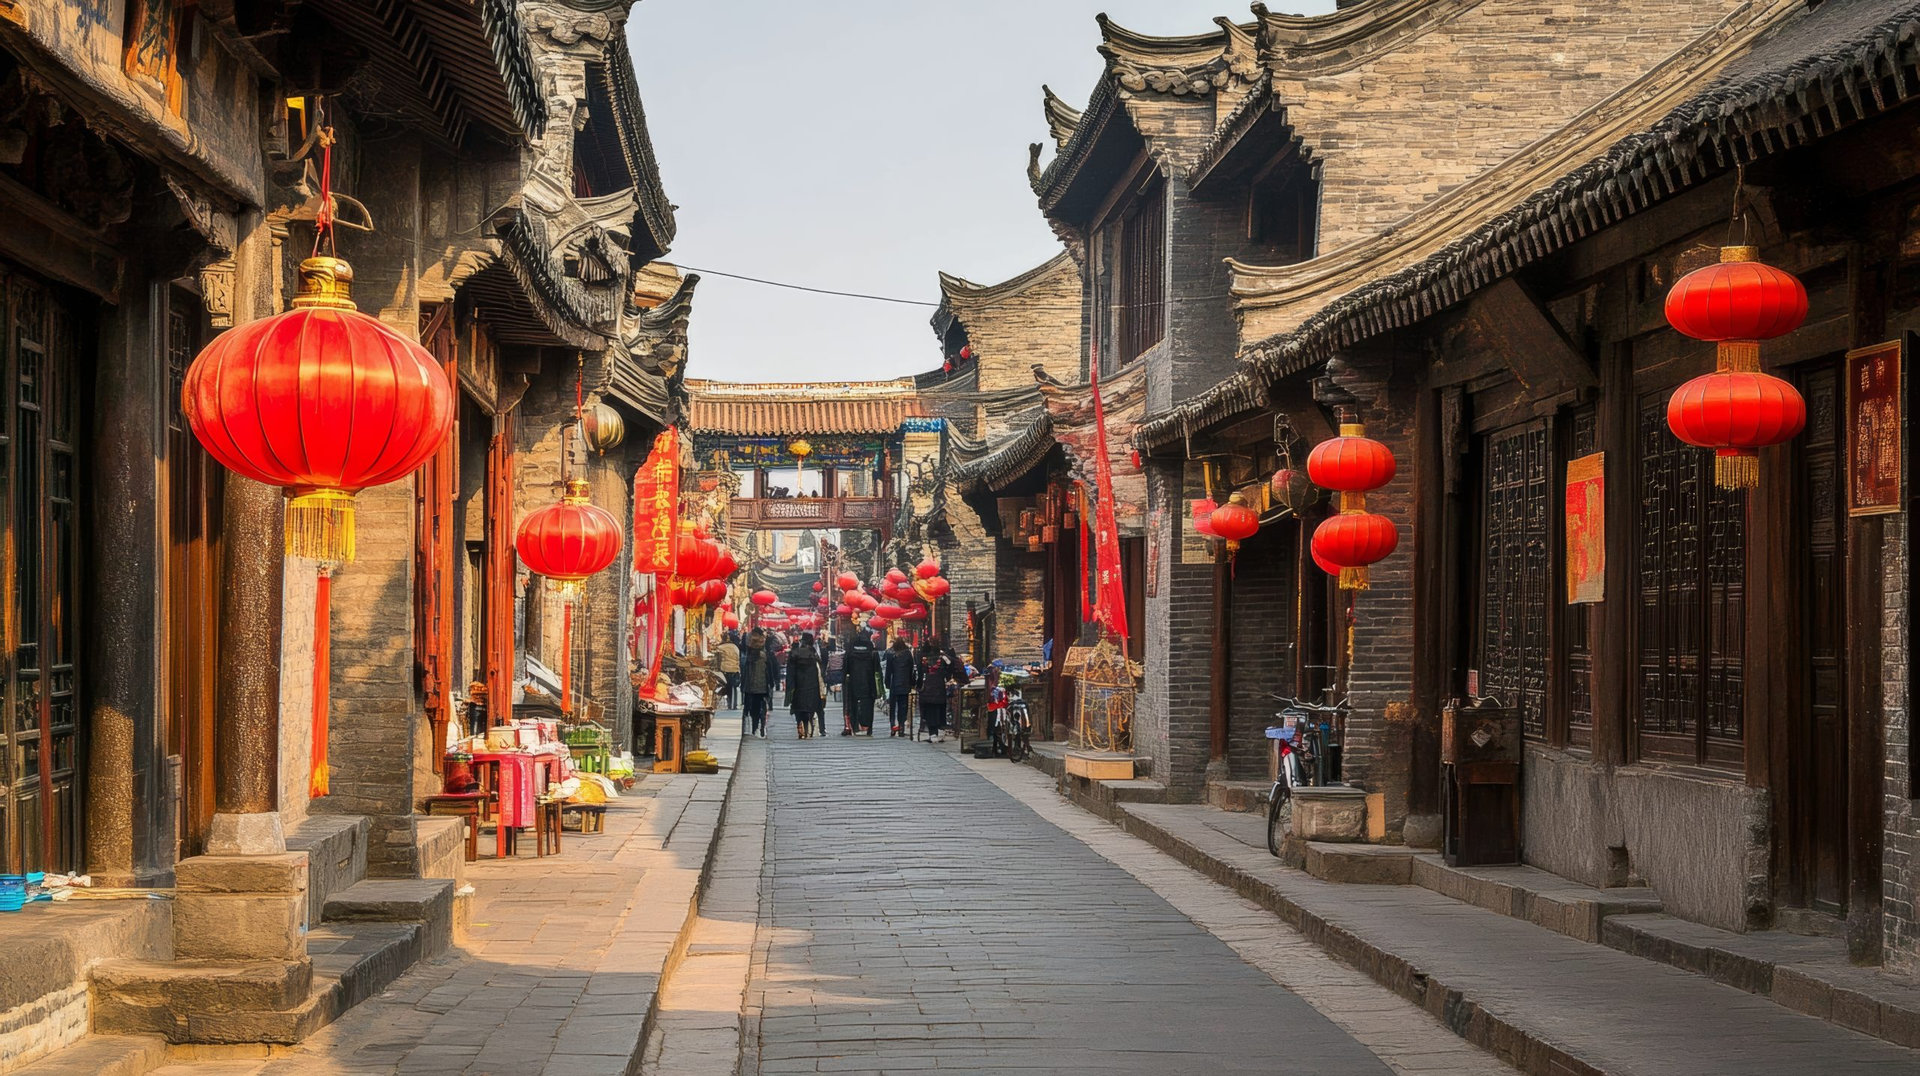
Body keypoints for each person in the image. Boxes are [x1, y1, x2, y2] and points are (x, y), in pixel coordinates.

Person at [917, 637, 962, 743]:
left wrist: (918, 684)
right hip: (939, 686)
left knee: (929, 710)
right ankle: (937, 732)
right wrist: (946, 676)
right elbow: (951, 665)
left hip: (927, 686)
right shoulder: (942, 657)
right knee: (939, 709)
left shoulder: (922, 657)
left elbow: (919, 671)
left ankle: (933, 733)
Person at [784, 633, 826, 739]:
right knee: (811, 708)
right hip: (812, 686)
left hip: (798, 686)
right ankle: (810, 727)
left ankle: (800, 725)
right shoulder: (814, 655)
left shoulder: (794, 654)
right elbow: (820, 673)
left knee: (798, 708)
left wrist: (790, 688)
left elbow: (790, 673)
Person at [842, 630, 882, 736]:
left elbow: (845, 669)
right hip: (869, 683)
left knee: (853, 705)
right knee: (869, 706)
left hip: (853, 683)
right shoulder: (872, 652)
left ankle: (855, 727)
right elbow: (877, 670)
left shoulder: (850, 652)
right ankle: (869, 727)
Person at [739, 629, 775, 738]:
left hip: (750, 687)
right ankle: (762, 725)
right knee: (762, 704)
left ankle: (755, 727)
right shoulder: (765, 655)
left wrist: (743, 685)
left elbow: (744, 672)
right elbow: (770, 670)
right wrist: (772, 682)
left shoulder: (747, 657)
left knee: (753, 707)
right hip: (762, 686)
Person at [883, 636, 918, 737]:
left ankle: (893, 726)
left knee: (893, 707)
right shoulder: (907, 654)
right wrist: (912, 683)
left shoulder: (891, 654)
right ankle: (901, 726)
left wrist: (887, 683)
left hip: (894, 684)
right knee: (903, 706)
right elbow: (912, 670)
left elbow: (888, 671)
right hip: (905, 684)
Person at [715, 631, 742, 709]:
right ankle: (734, 704)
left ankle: (729, 703)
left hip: (724, 669)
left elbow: (718, 659)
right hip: (735, 669)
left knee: (726, 687)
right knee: (733, 687)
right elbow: (738, 658)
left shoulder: (720, 647)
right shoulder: (735, 647)